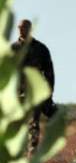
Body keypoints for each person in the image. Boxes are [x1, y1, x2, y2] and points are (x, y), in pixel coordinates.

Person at [12, 20, 55, 155]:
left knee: (33, 123)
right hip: (15, 93)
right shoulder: (12, 48)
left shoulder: (41, 49)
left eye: (24, 27)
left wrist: (49, 92)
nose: (21, 29)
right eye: (19, 27)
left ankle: (32, 153)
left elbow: (49, 72)